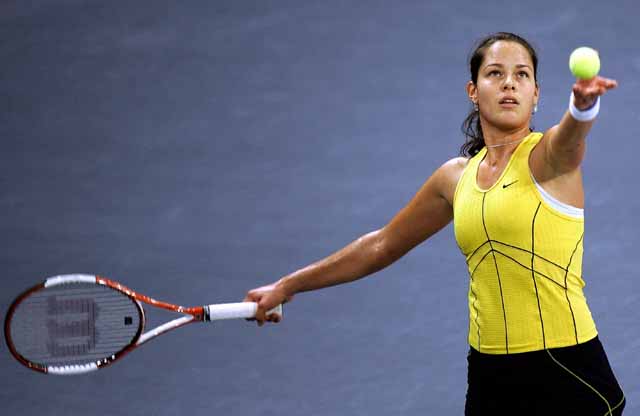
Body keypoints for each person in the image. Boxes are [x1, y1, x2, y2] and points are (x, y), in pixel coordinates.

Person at [243, 32, 625, 415]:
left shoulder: (548, 159)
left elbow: (570, 139)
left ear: (537, 93)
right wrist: (287, 285)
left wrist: (581, 108)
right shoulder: (454, 179)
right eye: (495, 73)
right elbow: (383, 244)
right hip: (490, 375)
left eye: (521, 75)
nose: (509, 82)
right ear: (473, 91)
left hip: (566, 370)